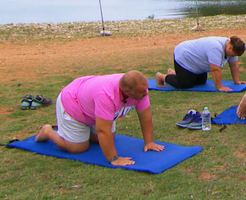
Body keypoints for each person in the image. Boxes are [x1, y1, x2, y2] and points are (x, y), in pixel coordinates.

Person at [34, 71, 164, 166]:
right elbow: (103, 130)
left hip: (91, 104)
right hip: (73, 103)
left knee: (103, 139)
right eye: (142, 92)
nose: (146, 94)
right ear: (127, 91)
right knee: (78, 148)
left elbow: (145, 116)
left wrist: (149, 142)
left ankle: (84, 132)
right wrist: (113, 158)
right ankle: (48, 132)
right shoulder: (106, 95)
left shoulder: (140, 91)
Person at [155, 36, 246, 92]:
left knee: (201, 82)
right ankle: (161, 77)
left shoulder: (232, 48)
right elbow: (215, 69)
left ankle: (173, 73)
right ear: (230, 48)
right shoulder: (216, 47)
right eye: (233, 54)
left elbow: (234, 65)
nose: (233, 56)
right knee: (184, 84)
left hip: (197, 63)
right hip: (184, 56)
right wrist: (220, 87)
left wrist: (237, 81)